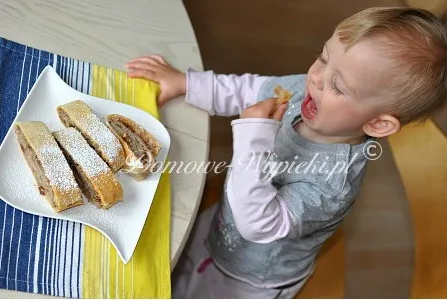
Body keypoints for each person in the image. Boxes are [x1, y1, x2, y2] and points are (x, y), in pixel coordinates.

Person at [125, 7, 447, 298]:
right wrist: (187, 84)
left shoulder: (332, 186)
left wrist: (253, 137)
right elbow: (248, 90)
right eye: (323, 57)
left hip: (248, 279)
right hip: (220, 227)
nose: (317, 78)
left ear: (376, 123)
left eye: (339, 86)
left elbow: (255, 222)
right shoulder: (306, 90)